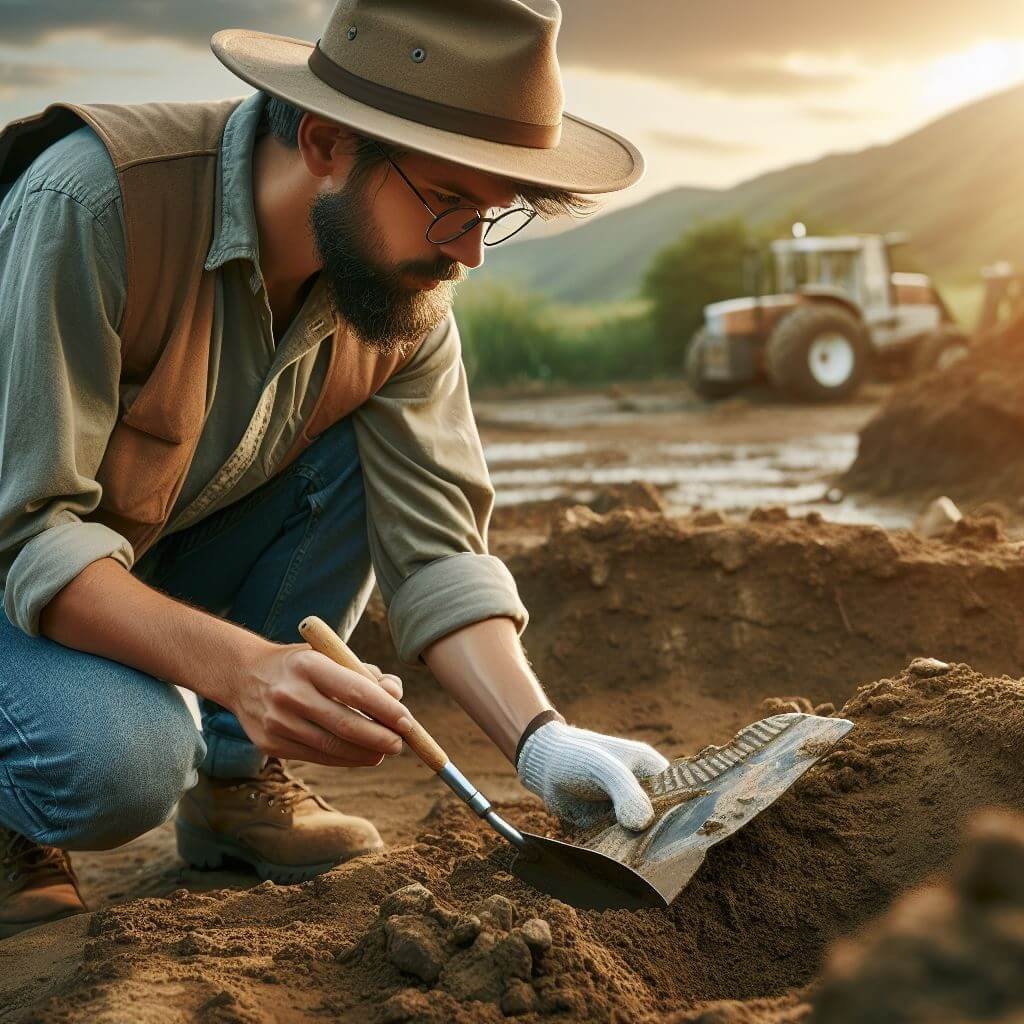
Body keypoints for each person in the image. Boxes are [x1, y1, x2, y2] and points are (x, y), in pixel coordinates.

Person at [0, 0, 667, 938]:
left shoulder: (400, 302)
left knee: (360, 449)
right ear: (324, 142)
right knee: (122, 761)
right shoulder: (94, 205)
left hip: (118, 561)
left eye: (493, 214)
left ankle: (235, 790)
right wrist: (244, 669)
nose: (470, 252)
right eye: (449, 201)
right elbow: (28, 530)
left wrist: (541, 741)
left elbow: (437, 552)